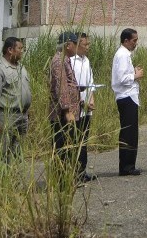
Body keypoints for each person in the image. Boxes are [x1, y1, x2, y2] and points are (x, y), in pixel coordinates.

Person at [0, 36, 31, 162]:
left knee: (16, 153)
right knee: (1, 153)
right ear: (10, 50)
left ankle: (12, 181)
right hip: (6, 117)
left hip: (22, 117)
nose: (22, 51)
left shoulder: (21, 68)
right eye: (20, 48)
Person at [111, 28, 143, 176]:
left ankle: (129, 165)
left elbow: (124, 74)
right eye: (134, 40)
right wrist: (135, 75)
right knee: (128, 132)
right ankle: (126, 166)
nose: (135, 43)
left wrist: (132, 72)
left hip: (129, 96)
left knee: (131, 132)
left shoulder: (125, 55)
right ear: (126, 41)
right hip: (126, 96)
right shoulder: (122, 55)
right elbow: (121, 79)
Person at [49, 31, 82, 175]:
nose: (76, 47)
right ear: (68, 45)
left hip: (68, 113)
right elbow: (61, 87)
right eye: (75, 44)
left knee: (70, 147)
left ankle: (69, 177)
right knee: (62, 148)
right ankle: (62, 181)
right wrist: (67, 110)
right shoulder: (59, 61)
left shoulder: (65, 59)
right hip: (61, 115)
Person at [71, 32, 97, 182]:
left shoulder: (86, 60)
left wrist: (91, 98)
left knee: (84, 139)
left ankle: (82, 170)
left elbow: (91, 82)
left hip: (88, 106)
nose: (88, 47)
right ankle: (74, 172)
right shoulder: (70, 61)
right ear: (76, 44)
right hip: (77, 107)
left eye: (88, 44)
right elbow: (71, 86)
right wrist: (82, 102)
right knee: (75, 139)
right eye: (85, 44)